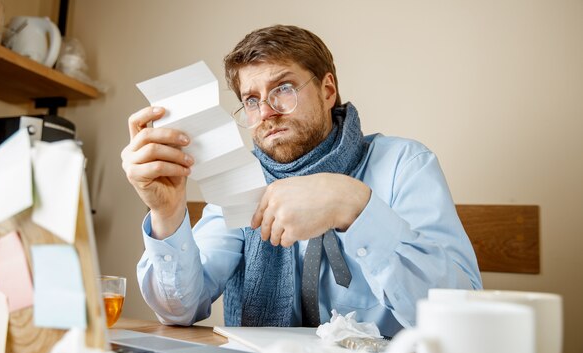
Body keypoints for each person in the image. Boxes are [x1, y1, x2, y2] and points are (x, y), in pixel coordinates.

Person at [121, 25, 482, 336]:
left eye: (283, 89)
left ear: (328, 91)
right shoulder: (241, 182)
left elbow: (461, 316)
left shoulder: (405, 164)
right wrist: (166, 214)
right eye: (251, 100)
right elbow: (179, 309)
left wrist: (353, 205)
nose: (265, 112)